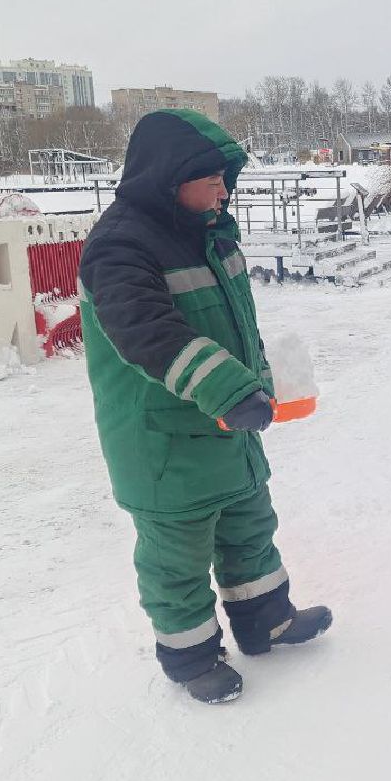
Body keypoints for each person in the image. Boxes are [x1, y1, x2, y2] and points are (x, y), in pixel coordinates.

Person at [78, 109, 331, 705]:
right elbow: (148, 331)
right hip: (163, 441)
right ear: (168, 178)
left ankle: (265, 620)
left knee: (250, 529)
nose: (224, 189)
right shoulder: (119, 246)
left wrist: (260, 382)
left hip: (226, 426)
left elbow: (237, 326)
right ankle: (192, 658)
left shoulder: (211, 233)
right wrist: (229, 389)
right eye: (209, 178)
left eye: (225, 177)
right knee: (177, 559)